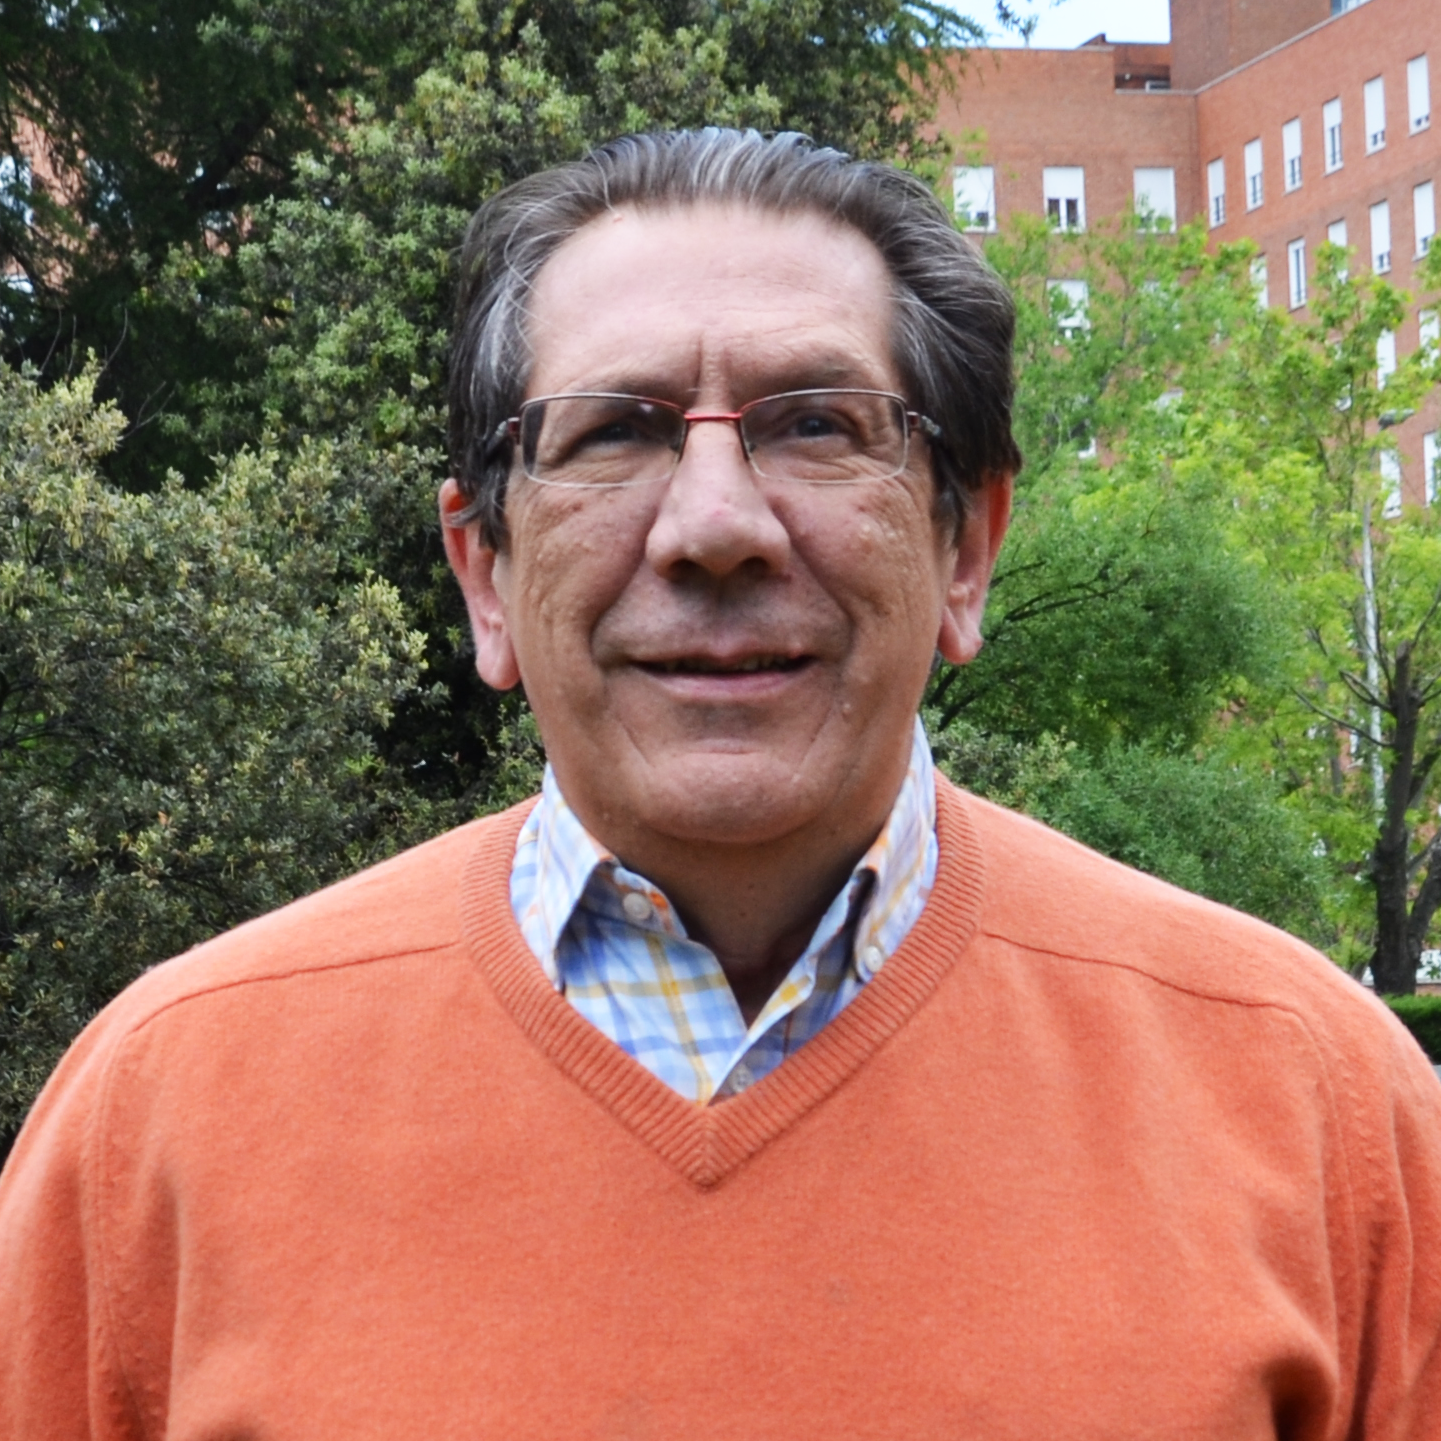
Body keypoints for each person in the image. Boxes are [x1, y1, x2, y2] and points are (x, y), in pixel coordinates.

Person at [2, 128, 1439, 1439]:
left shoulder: (1321, 1109)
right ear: (485, 574)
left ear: (966, 547)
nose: (714, 524)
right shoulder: (156, 1124)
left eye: (815, 424)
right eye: (614, 431)